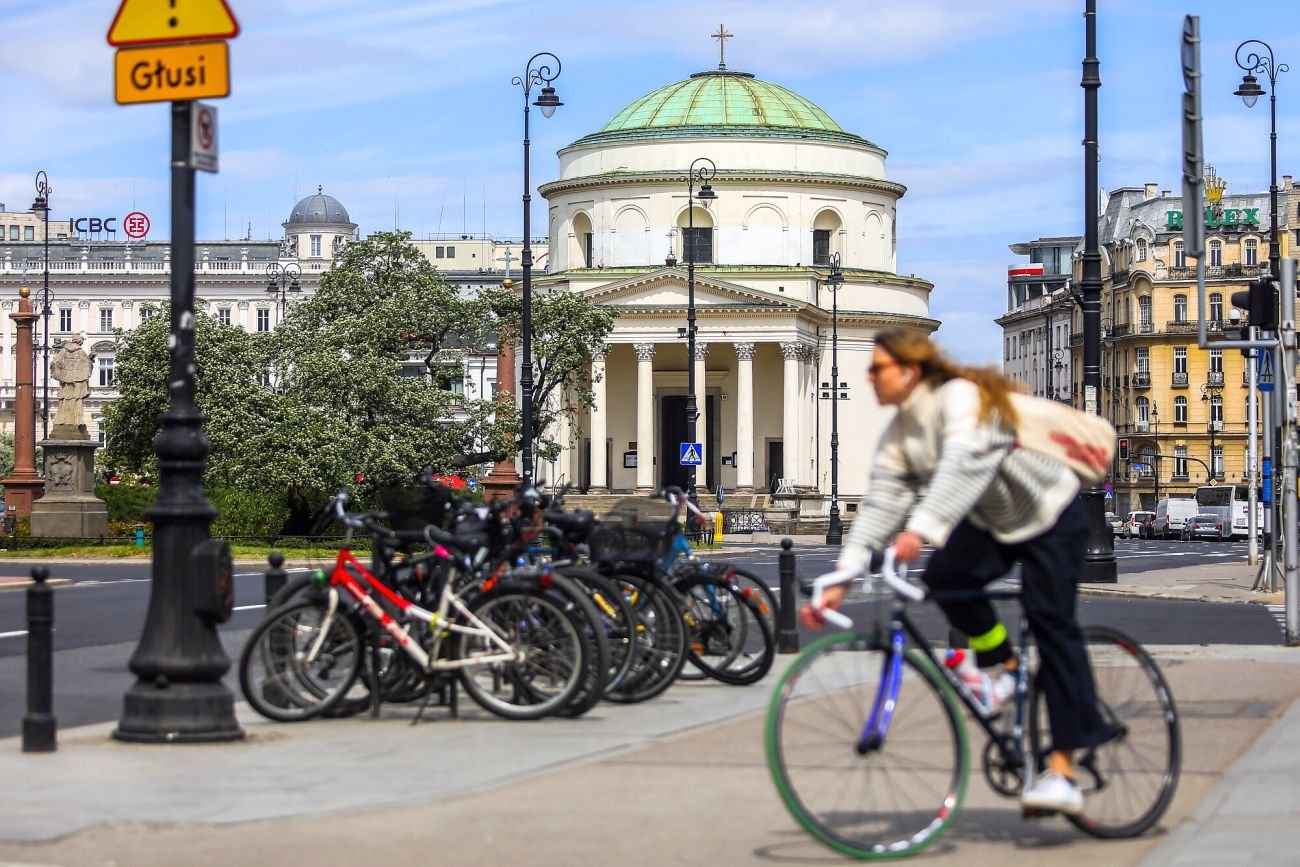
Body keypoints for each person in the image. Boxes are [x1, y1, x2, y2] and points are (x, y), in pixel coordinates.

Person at [803, 328, 1109, 816]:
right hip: (995, 521)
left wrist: (920, 529)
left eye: (876, 367)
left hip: (1051, 511)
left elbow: (963, 464)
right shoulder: (901, 431)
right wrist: (843, 577)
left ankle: (1064, 771)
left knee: (1051, 621)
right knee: (946, 581)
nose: (868, 376)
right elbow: (881, 502)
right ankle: (1008, 669)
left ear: (909, 369)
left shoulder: (961, 398)